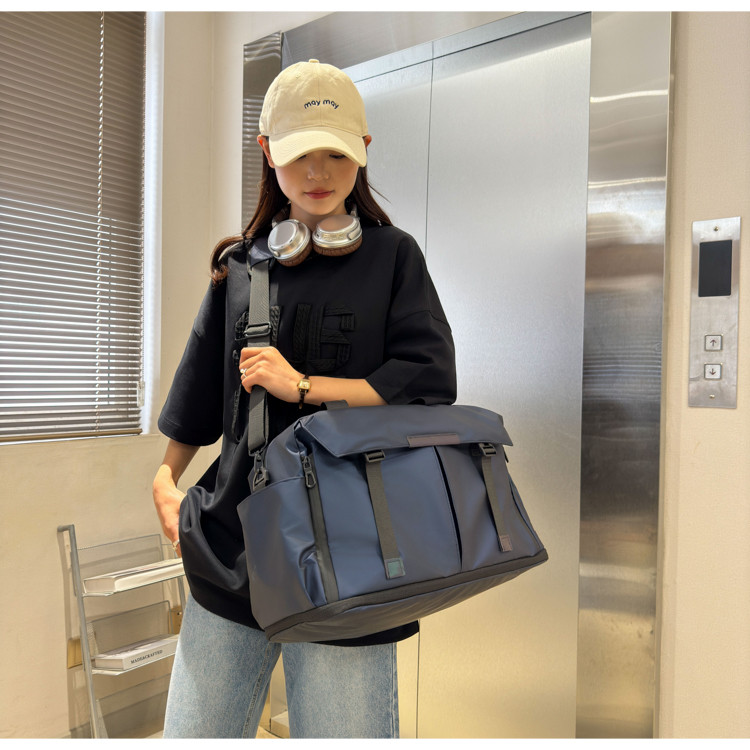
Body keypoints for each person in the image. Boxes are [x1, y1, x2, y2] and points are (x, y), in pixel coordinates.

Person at [152, 59, 456, 739]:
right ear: (267, 153)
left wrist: (304, 386)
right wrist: (165, 479)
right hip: (230, 543)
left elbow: (429, 381)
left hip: (352, 554)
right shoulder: (240, 268)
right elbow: (198, 394)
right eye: (299, 155)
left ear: (363, 151)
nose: (318, 172)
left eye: (336, 153)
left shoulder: (394, 258)